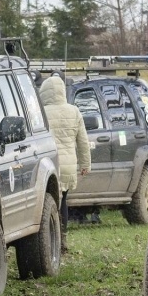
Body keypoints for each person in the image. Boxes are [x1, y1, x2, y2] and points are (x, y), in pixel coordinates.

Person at [38, 75, 89, 248]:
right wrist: (85, 164)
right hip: (67, 166)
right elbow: (83, 141)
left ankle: (49, 241)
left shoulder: (41, 112)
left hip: (47, 167)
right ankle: (63, 240)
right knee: (63, 203)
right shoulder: (74, 111)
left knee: (47, 205)